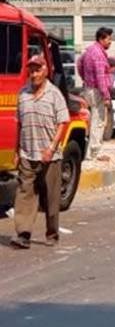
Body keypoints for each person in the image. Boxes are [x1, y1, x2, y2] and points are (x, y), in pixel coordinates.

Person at [10, 56, 69, 250]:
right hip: (27, 153)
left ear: (45, 71)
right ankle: (23, 234)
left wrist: (51, 147)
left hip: (50, 155)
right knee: (25, 193)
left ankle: (52, 232)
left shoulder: (54, 94)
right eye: (32, 70)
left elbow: (63, 122)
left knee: (51, 197)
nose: (34, 74)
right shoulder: (23, 94)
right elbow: (19, 124)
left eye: (38, 70)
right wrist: (17, 150)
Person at [77, 27, 114, 160]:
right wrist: (106, 96)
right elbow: (100, 77)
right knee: (98, 122)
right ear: (101, 39)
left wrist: (85, 78)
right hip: (96, 91)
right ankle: (94, 152)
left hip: (88, 89)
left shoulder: (89, 51)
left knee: (90, 121)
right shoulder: (98, 54)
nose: (110, 42)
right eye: (109, 39)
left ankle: (88, 152)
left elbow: (79, 64)